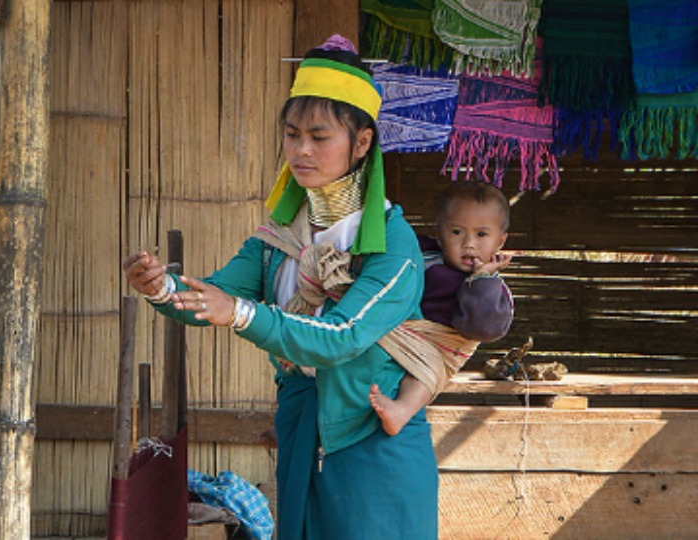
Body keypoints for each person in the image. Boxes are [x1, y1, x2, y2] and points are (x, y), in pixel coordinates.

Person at [123, 35, 438, 539]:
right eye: (292, 135)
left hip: (374, 447)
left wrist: (242, 314)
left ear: (362, 143)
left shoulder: (392, 248)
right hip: (300, 432)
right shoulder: (279, 240)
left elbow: (341, 337)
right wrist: (162, 288)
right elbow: (213, 296)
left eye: (319, 136)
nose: (301, 150)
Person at [370, 181, 514, 436]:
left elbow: (484, 327)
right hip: (395, 336)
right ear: (439, 232)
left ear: (500, 241)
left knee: (424, 378)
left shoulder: (492, 287)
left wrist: (481, 278)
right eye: (457, 232)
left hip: (437, 349)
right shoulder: (423, 254)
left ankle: (401, 412)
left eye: (482, 235)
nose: (469, 244)